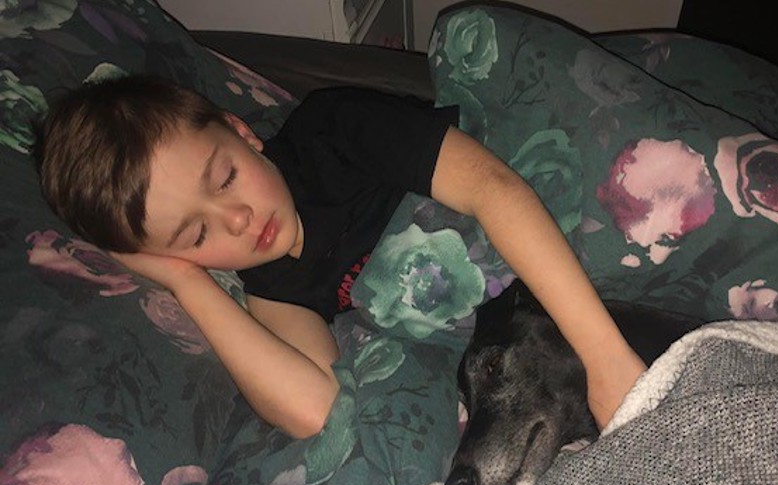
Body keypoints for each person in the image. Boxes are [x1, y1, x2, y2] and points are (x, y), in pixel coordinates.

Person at [36, 75, 646, 439]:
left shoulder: (331, 130)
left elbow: (493, 187)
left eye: (224, 178)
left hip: (554, 217)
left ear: (241, 132)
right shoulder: (272, 288)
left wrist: (606, 361)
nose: (237, 219)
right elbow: (315, 408)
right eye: (196, 236)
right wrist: (186, 283)